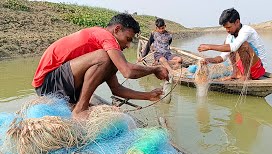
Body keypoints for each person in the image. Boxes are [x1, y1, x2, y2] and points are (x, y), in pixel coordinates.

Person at [32, 13, 169, 118]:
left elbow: (116, 89)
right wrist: (155, 69)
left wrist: (149, 95)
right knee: (105, 56)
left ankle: (79, 104)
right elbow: (128, 72)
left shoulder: (103, 49)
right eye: (128, 39)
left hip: (59, 85)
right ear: (117, 29)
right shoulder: (104, 36)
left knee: (109, 59)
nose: (128, 45)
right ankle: (80, 109)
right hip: (48, 85)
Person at [197, 8, 266, 81]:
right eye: (225, 28)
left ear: (237, 22)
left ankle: (246, 76)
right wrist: (207, 60)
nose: (227, 30)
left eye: (229, 27)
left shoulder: (246, 30)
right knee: (228, 47)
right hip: (244, 67)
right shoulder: (230, 37)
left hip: (257, 69)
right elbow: (222, 57)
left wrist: (209, 46)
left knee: (242, 45)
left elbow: (233, 47)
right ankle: (236, 73)